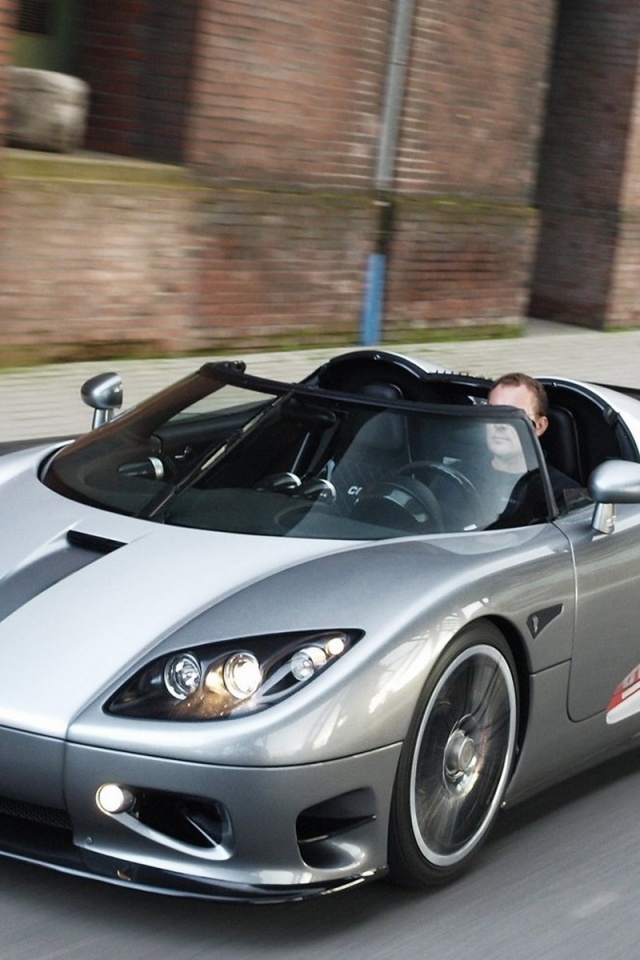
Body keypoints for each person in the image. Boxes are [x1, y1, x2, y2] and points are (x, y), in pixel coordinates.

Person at [487, 372, 578, 509]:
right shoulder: (458, 473)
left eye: (514, 416)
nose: (500, 425)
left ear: (540, 426)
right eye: (493, 413)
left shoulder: (561, 493)